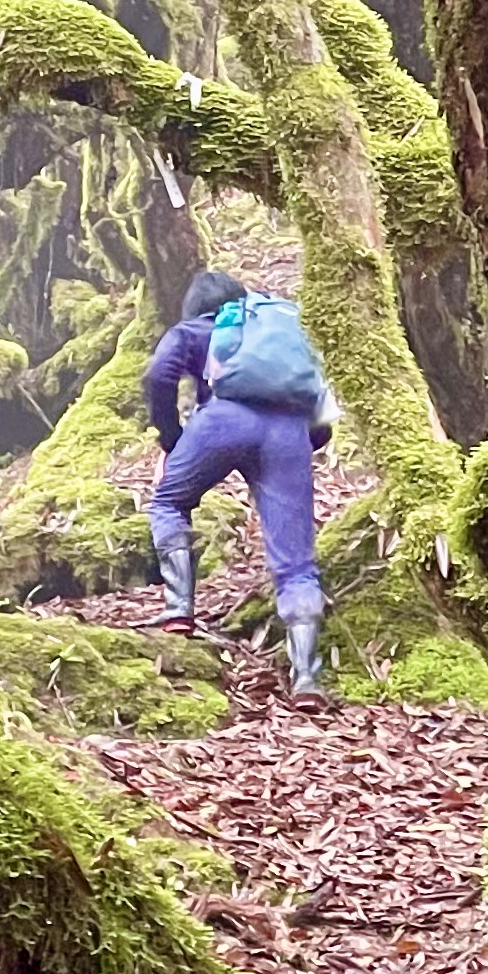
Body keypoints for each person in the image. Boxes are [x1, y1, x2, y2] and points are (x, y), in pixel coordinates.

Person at [141, 268, 334, 704]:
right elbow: (320, 407)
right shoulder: (273, 332)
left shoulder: (193, 330)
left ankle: (178, 611)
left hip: (220, 422)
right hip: (287, 434)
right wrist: (308, 441)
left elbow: (157, 376)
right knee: (297, 565)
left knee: (170, 503)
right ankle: (306, 677)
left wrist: (172, 437)